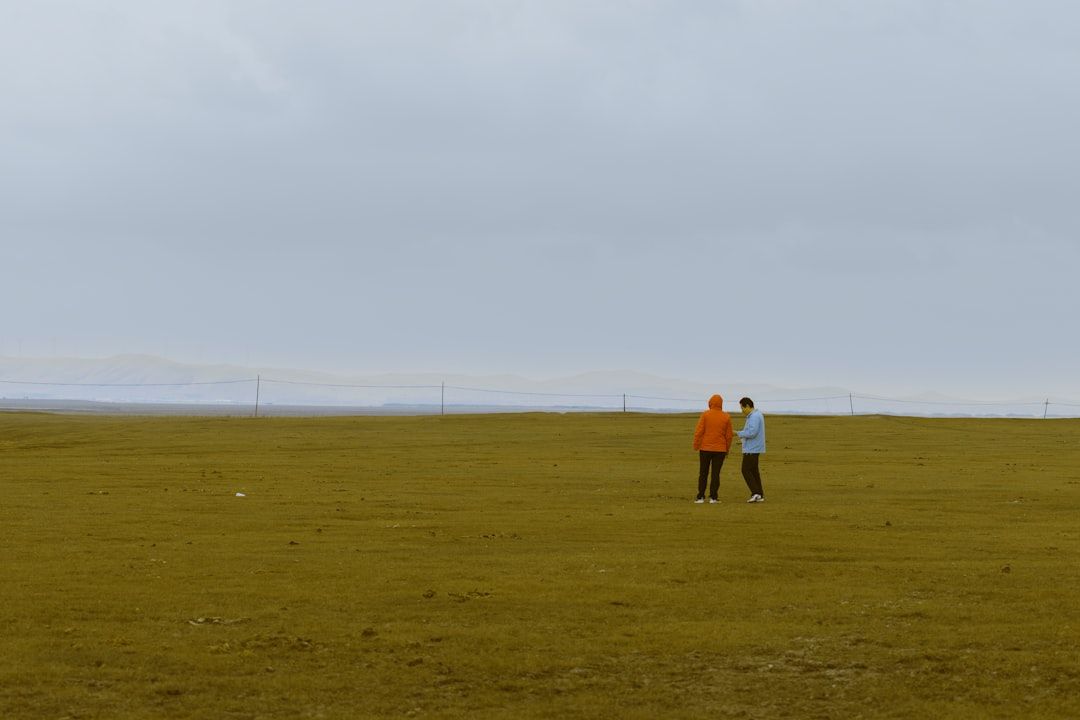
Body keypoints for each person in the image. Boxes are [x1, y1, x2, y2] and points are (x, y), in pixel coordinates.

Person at [691, 394, 734, 503]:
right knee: (715, 474)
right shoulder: (726, 416)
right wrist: (727, 449)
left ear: (710, 403)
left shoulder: (705, 415)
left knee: (703, 473)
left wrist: (696, 445)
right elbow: (729, 436)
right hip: (720, 450)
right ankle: (713, 497)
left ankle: (700, 496)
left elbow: (698, 432)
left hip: (705, 448)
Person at [735, 397, 766, 503]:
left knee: (745, 470)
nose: (742, 410)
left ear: (748, 406)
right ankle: (759, 494)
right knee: (754, 472)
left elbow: (752, 433)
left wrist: (738, 433)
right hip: (753, 448)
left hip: (752, 449)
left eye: (742, 407)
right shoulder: (755, 415)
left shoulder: (754, 416)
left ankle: (756, 493)